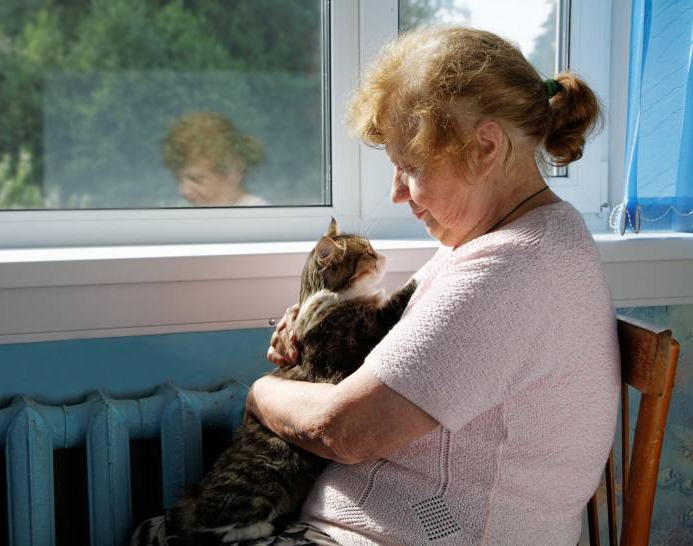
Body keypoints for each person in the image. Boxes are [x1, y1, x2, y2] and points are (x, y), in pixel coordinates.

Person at [251, 26, 620, 545]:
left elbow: (346, 430)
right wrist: (317, 330)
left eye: (411, 168)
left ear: (485, 147)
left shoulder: (515, 270)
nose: (398, 193)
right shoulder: (492, 242)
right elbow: (404, 347)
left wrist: (261, 393)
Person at [162, 112, 268, 206]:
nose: (183, 191)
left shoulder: (260, 220)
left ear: (234, 170)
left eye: (196, 179)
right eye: (178, 179)